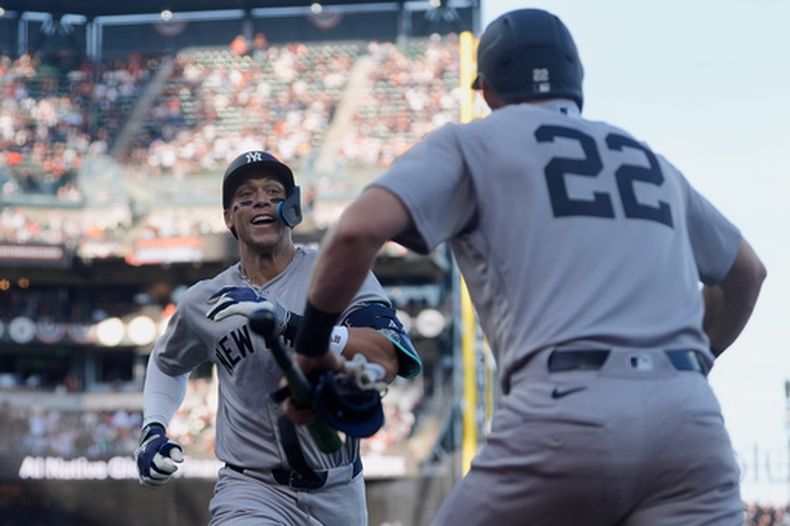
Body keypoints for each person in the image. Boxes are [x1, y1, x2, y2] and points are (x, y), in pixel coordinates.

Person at [290, 8, 766, 526]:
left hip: (566, 409)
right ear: (574, 83)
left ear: (488, 89)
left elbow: (357, 230)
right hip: (689, 419)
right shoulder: (648, 159)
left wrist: (312, 348)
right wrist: (695, 361)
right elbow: (746, 273)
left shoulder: (474, 141)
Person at [133, 150, 421, 525]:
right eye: (246, 195)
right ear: (228, 218)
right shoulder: (204, 300)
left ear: (292, 207)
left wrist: (291, 323)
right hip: (250, 489)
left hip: (339, 491)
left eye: (273, 191)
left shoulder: (337, 272)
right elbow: (167, 362)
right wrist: (153, 427)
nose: (261, 199)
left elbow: (387, 358)